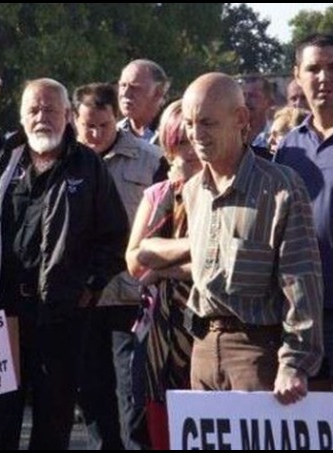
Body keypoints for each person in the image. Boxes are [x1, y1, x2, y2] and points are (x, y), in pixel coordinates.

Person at [0, 78, 128, 449]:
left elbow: (114, 236)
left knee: (53, 421)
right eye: (33, 109)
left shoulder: (87, 166)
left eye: (50, 109)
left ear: (67, 115)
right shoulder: (3, 161)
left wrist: (90, 287)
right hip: (4, 314)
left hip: (61, 315)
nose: (41, 117)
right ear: (21, 116)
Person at [182, 72, 323, 404]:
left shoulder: (280, 187)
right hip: (202, 351)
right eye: (189, 123)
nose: (196, 135)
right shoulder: (192, 191)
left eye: (207, 123)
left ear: (241, 119)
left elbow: (301, 281)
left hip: (257, 355)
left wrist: (293, 364)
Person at [72, 82, 163, 450]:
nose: (95, 135)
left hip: (131, 296)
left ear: (117, 120)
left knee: (132, 399)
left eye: (103, 126)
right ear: (74, 121)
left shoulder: (149, 158)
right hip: (82, 298)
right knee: (93, 397)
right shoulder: (64, 159)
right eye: (87, 126)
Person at [126, 100, 202, 449]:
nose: (187, 151)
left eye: (192, 141)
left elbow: (220, 263)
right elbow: (137, 259)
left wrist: (163, 268)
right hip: (160, 331)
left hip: (207, 327)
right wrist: (192, 251)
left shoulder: (225, 193)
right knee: (157, 422)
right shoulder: (159, 194)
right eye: (179, 143)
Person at [275, 33, 333, 391]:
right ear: (297, 74)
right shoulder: (289, 148)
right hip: (301, 316)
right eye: (314, 68)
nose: (325, 77)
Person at [117, 59, 169, 143]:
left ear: (157, 92)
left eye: (135, 88)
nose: (126, 93)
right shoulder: (113, 135)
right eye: (123, 85)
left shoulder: (174, 133)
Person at [239, 74, 274, 149]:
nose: (246, 101)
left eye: (253, 96)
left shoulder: (274, 137)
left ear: (269, 102)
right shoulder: (231, 135)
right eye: (243, 95)